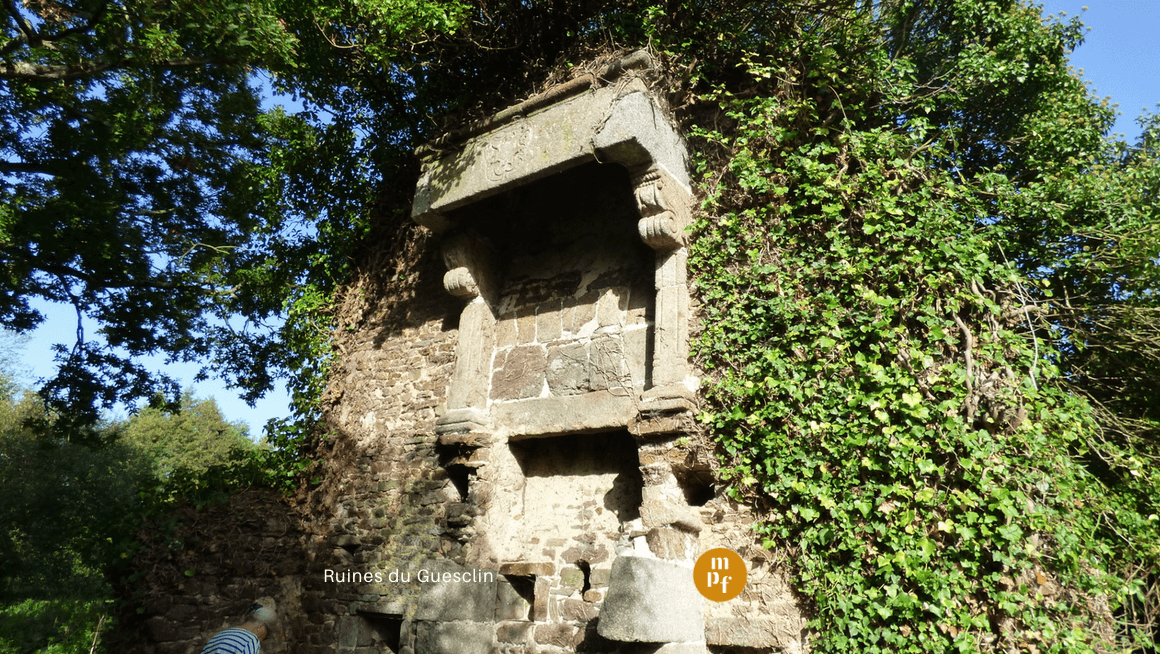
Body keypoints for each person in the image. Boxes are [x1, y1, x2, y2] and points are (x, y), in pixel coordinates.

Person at [200, 604, 277, 653]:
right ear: (260, 627)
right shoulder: (250, 641)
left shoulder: (220, 635)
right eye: (265, 636)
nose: (262, 640)